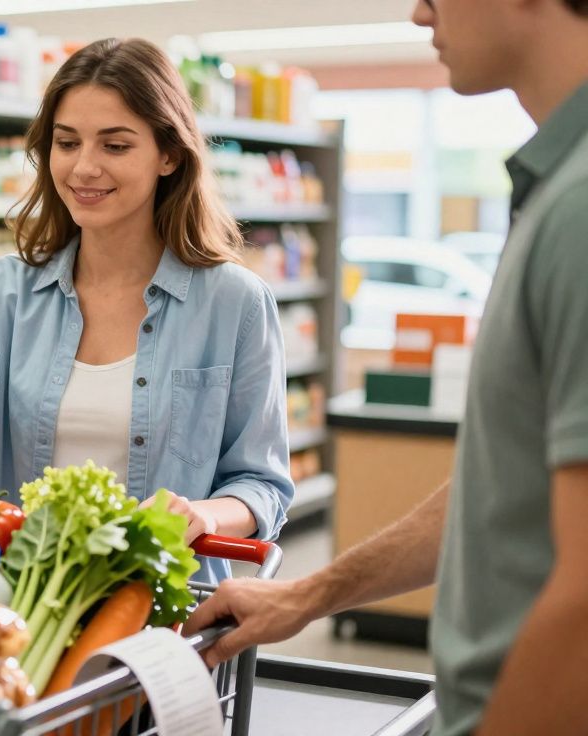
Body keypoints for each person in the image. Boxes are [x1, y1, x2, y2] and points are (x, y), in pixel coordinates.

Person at [186, 0, 588, 733]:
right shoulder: (554, 190)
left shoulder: (579, 208)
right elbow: (497, 489)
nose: (417, 10)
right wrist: (306, 596)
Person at [0, 38, 295, 581]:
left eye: (115, 146)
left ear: (169, 155)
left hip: (163, 604)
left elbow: (262, 484)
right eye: (67, 143)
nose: (84, 168)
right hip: (22, 597)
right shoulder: (6, 290)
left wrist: (201, 513)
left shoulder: (234, 302)